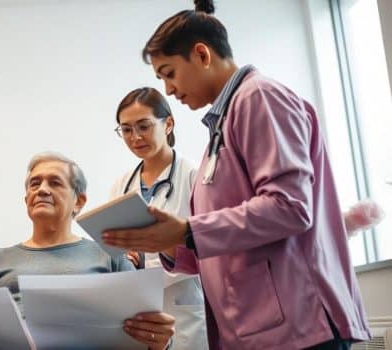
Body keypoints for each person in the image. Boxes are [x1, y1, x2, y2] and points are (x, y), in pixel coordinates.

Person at [102, 1, 371, 348]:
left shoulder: (259, 98)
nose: (168, 89)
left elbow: (290, 207)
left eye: (169, 73)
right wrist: (172, 242)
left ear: (201, 54)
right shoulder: (223, 125)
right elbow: (223, 238)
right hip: (257, 327)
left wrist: (187, 230)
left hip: (298, 326)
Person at [0, 152, 176, 350]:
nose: (42, 189)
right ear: (26, 200)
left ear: (80, 201)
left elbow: (144, 336)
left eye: (55, 182)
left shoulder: (111, 257)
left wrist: (160, 342)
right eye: (34, 184)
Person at [110, 87, 207, 349]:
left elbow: (205, 247)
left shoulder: (193, 176)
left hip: (183, 307)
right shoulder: (122, 184)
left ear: (168, 124)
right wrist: (124, 257)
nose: (135, 137)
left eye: (144, 126)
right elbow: (118, 245)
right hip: (138, 311)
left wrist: (146, 258)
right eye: (126, 129)